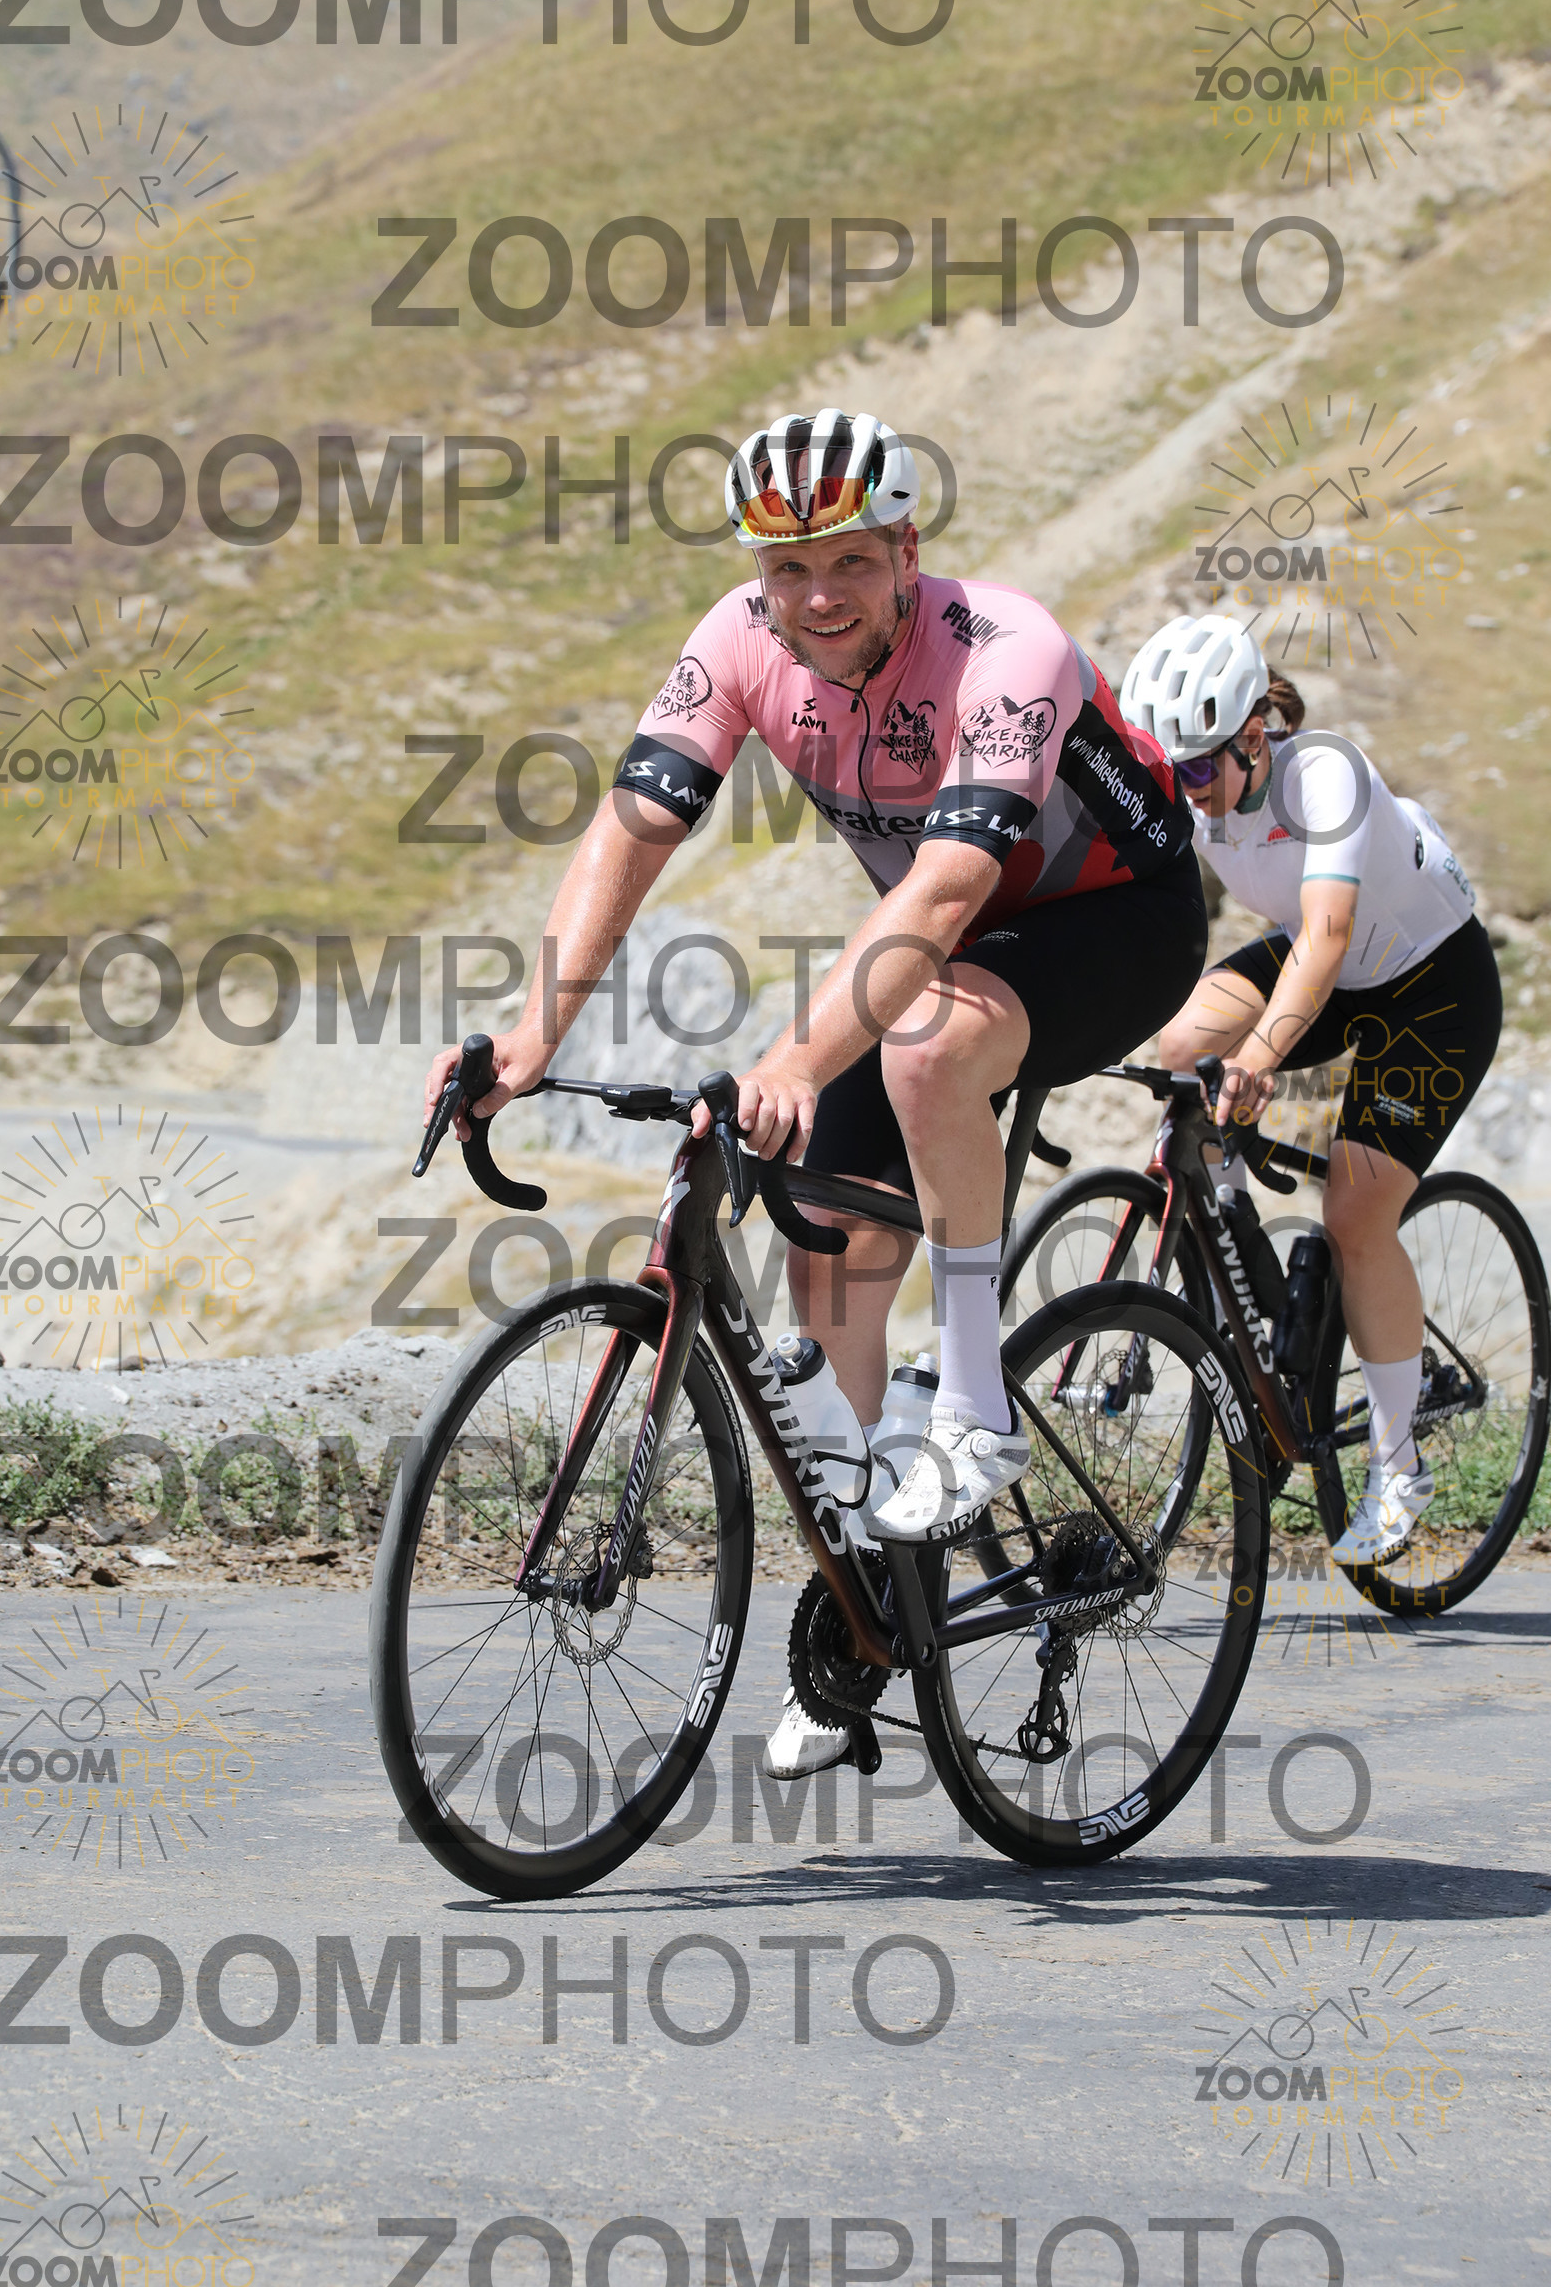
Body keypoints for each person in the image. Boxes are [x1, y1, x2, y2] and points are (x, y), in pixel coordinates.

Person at [425, 410, 1208, 1775]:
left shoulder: (1006, 649)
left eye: (849, 559)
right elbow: (632, 827)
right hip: (945, 940)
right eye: (789, 568)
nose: (819, 594)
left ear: (906, 550)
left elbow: (949, 889)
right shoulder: (740, 643)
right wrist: (533, 1035)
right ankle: (863, 1621)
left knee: (920, 1047)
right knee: (826, 1247)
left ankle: (976, 1410)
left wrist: (794, 1061)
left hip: (1114, 921)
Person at [1120, 612, 1502, 1567]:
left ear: (1254, 736)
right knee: (1180, 1046)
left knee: (1355, 1211)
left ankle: (1398, 1464)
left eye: (1198, 766)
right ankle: (1239, 1260)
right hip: (1322, 965)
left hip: (1430, 988)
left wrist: (1259, 1057)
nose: (1185, 789)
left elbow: (1327, 936)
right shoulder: (1194, 790)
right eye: (1170, 770)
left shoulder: (1326, 773)